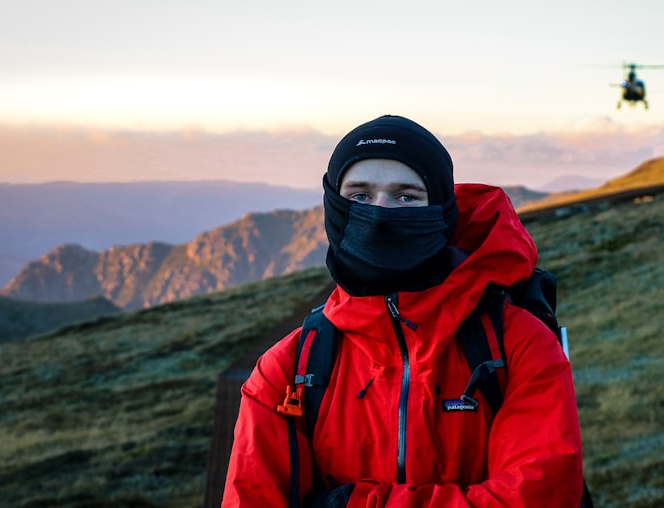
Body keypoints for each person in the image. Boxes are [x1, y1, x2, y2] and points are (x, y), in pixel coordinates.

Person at [223, 115, 585, 507]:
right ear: (333, 206)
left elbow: (539, 496)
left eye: (406, 197)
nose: (381, 214)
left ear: (442, 214)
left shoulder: (520, 347)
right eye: (359, 196)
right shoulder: (285, 372)